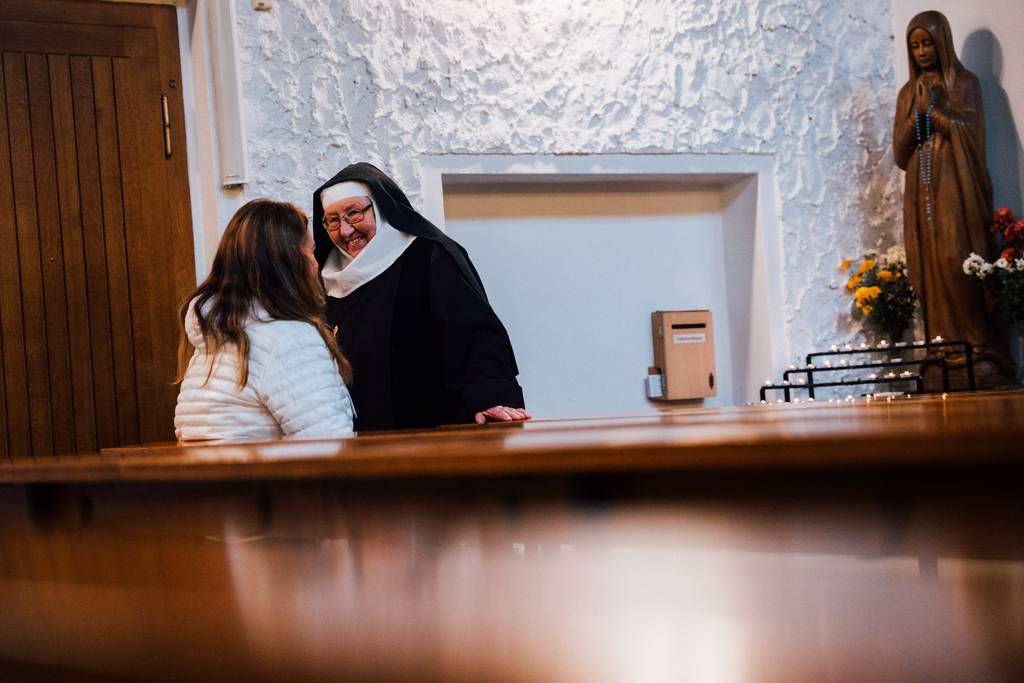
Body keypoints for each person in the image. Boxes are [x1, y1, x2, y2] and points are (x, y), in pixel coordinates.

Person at [312, 162, 528, 431]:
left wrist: (491, 396)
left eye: (354, 214)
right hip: (357, 437)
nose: (345, 231)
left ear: (379, 207)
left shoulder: (428, 257)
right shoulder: (327, 277)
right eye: (332, 220)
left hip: (428, 431)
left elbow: (474, 333)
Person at [892, 10, 1013, 387]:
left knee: (956, 258)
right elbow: (899, 152)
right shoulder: (908, 93)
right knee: (930, 267)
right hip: (921, 192)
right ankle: (941, 348)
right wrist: (917, 116)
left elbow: (971, 136)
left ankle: (979, 345)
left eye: (927, 42)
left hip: (957, 188)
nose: (922, 51)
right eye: (915, 45)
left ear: (941, 41)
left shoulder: (965, 83)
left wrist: (937, 112)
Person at [175, 199, 355, 443]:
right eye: (310, 252)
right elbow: (329, 443)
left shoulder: (217, 336)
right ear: (287, 262)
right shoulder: (288, 338)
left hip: (216, 479)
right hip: (266, 480)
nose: (315, 264)